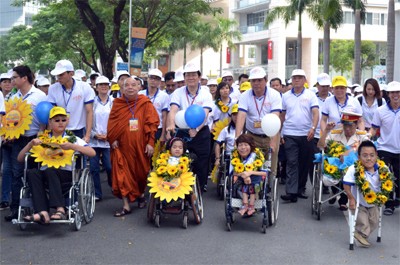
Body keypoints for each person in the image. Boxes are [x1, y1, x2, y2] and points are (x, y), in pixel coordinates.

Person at [16, 107, 95, 223]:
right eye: (57, 120)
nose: (60, 123)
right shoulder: (42, 139)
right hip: (46, 173)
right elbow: (20, 159)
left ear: (67, 121)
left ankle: (60, 209)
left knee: (50, 170)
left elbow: (92, 153)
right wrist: (30, 144)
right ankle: (43, 212)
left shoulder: (72, 139)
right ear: (50, 122)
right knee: (32, 172)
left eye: (63, 120)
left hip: (67, 174)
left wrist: (73, 147)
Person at [108, 76, 159, 216]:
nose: (130, 87)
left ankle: (141, 194)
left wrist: (150, 143)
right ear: (122, 88)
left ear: (139, 87)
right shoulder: (117, 104)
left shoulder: (145, 103)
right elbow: (112, 123)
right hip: (122, 147)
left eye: (133, 85)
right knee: (121, 174)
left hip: (141, 145)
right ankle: (126, 206)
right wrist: (112, 138)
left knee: (141, 174)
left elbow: (152, 124)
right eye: (127, 85)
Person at [4, 65, 47, 222]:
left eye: (14, 77)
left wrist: (42, 133)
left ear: (24, 78)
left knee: (34, 173)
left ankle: (38, 208)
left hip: (35, 138)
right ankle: (16, 209)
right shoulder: (14, 98)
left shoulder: (39, 95)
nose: (12, 80)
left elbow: (45, 116)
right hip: (18, 140)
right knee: (16, 173)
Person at [166, 62, 213, 192]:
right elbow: (173, 110)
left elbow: (205, 113)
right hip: (182, 130)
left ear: (199, 77)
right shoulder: (178, 92)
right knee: (176, 158)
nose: (190, 78)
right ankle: (176, 186)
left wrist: (196, 129)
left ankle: (200, 186)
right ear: (184, 77)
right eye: (188, 75)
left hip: (201, 131)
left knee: (201, 162)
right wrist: (170, 124)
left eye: (193, 75)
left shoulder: (206, 93)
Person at [280, 69, 319, 203]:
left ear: (304, 80)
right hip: (290, 133)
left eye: (300, 78)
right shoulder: (285, 96)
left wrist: (313, 128)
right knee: (292, 162)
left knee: (304, 163)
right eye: (294, 77)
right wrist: (280, 132)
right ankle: (291, 192)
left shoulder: (310, 95)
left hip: (306, 134)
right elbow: (282, 115)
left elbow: (315, 113)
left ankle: (300, 188)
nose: (297, 80)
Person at [235, 66, 282, 178]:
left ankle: (269, 188)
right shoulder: (245, 95)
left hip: (270, 135)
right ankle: (254, 190)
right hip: (252, 135)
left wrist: (273, 141)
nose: (256, 83)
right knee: (252, 164)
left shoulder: (274, 95)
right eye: (253, 80)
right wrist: (237, 137)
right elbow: (241, 116)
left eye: (259, 80)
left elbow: (275, 118)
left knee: (269, 165)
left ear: (265, 80)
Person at [318, 112, 369, 210]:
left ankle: (343, 201)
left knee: (350, 174)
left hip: (353, 168)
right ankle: (334, 191)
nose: (347, 129)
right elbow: (320, 146)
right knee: (332, 171)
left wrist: (347, 154)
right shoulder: (335, 134)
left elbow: (368, 150)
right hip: (335, 168)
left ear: (356, 124)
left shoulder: (361, 136)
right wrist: (326, 131)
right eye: (345, 125)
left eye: (350, 126)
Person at [343, 141, 388, 248]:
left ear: (376, 155)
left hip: (374, 202)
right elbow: (346, 184)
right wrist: (351, 198)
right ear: (359, 157)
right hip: (358, 202)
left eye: (372, 155)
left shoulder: (382, 168)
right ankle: (360, 233)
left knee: (375, 221)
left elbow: (387, 184)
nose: (369, 158)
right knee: (363, 222)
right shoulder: (354, 168)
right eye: (365, 155)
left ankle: (360, 235)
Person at [47, 59, 95, 142]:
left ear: (71, 73)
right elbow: (52, 113)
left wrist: (87, 135)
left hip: (79, 130)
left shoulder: (84, 87)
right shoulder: (53, 88)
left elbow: (89, 112)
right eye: (57, 75)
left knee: (79, 154)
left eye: (61, 74)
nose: (59, 77)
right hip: (59, 130)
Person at [371, 81, 400, 216]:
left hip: (399, 149)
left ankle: (397, 198)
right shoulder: (380, 111)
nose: (396, 95)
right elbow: (374, 128)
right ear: (388, 94)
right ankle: (389, 204)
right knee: (386, 176)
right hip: (384, 148)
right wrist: (366, 137)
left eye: (398, 92)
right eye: (393, 92)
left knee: (398, 177)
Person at [89, 76, 113, 201]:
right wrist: (94, 134)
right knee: (94, 168)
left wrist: (109, 135)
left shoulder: (114, 102)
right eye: (101, 85)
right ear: (96, 87)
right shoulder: (91, 102)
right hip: (94, 140)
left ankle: (112, 185)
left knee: (109, 167)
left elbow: (116, 121)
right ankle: (97, 193)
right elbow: (87, 120)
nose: (104, 87)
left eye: (106, 84)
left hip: (108, 141)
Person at [231, 134, 267, 216]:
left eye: (246, 145)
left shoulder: (257, 156)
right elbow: (232, 172)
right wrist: (244, 175)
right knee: (245, 184)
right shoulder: (235, 156)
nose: (243, 147)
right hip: (240, 181)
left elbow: (265, 172)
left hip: (256, 180)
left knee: (251, 185)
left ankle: (251, 206)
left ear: (251, 146)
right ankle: (245, 205)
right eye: (240, 145)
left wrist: (250, 173)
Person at [138, 68, 170, 142]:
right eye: (151, 78)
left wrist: (163, 135)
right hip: (142, 128)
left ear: (160, 81)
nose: (153, 80)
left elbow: (164, 116)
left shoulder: (164, 96)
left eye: (156, 79)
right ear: (148, 79)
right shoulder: (140, 94)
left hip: (158, 129)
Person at [214, 104, 239, 169]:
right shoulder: (226, 130)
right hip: (229, 156)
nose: (236, 117)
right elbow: (218, 144)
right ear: (231, 116)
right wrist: (217, 159)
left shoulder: (247, 129)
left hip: (244, 155)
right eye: (234, 115)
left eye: (238, 114)